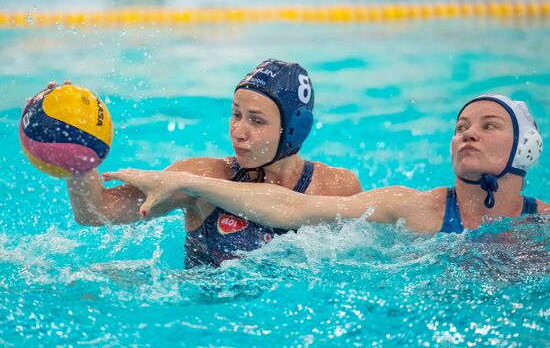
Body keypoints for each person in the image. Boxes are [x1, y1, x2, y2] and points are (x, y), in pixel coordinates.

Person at [104, 94, 548, 235]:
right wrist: (184, 181)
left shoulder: (543, 223)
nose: (468, 133)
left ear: (525, 147)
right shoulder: (416, 208)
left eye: (489, 126)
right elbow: (295, 209)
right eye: (461, 125)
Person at [65, 59, 362, 267]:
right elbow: (95, 212)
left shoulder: (336, 187)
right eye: (236, 114)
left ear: (293, 129)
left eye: (256, 121)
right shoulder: (201, 175)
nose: (238, 131)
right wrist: (76, 150)